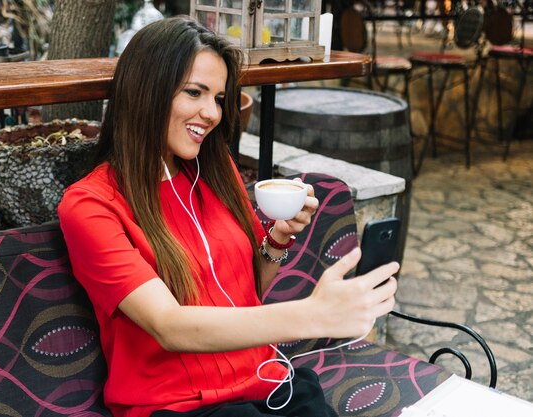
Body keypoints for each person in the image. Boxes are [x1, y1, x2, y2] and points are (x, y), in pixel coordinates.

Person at [57, 16, 399, 417]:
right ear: (145, 92)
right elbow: (168, 325)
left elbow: (248, 288)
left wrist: (278, 240)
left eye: (218, 98)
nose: (212, 113)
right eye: (194, 92)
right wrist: (311, 315)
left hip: (266, 384)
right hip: (178, 405)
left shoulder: (215, 173)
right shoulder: (91, 205)